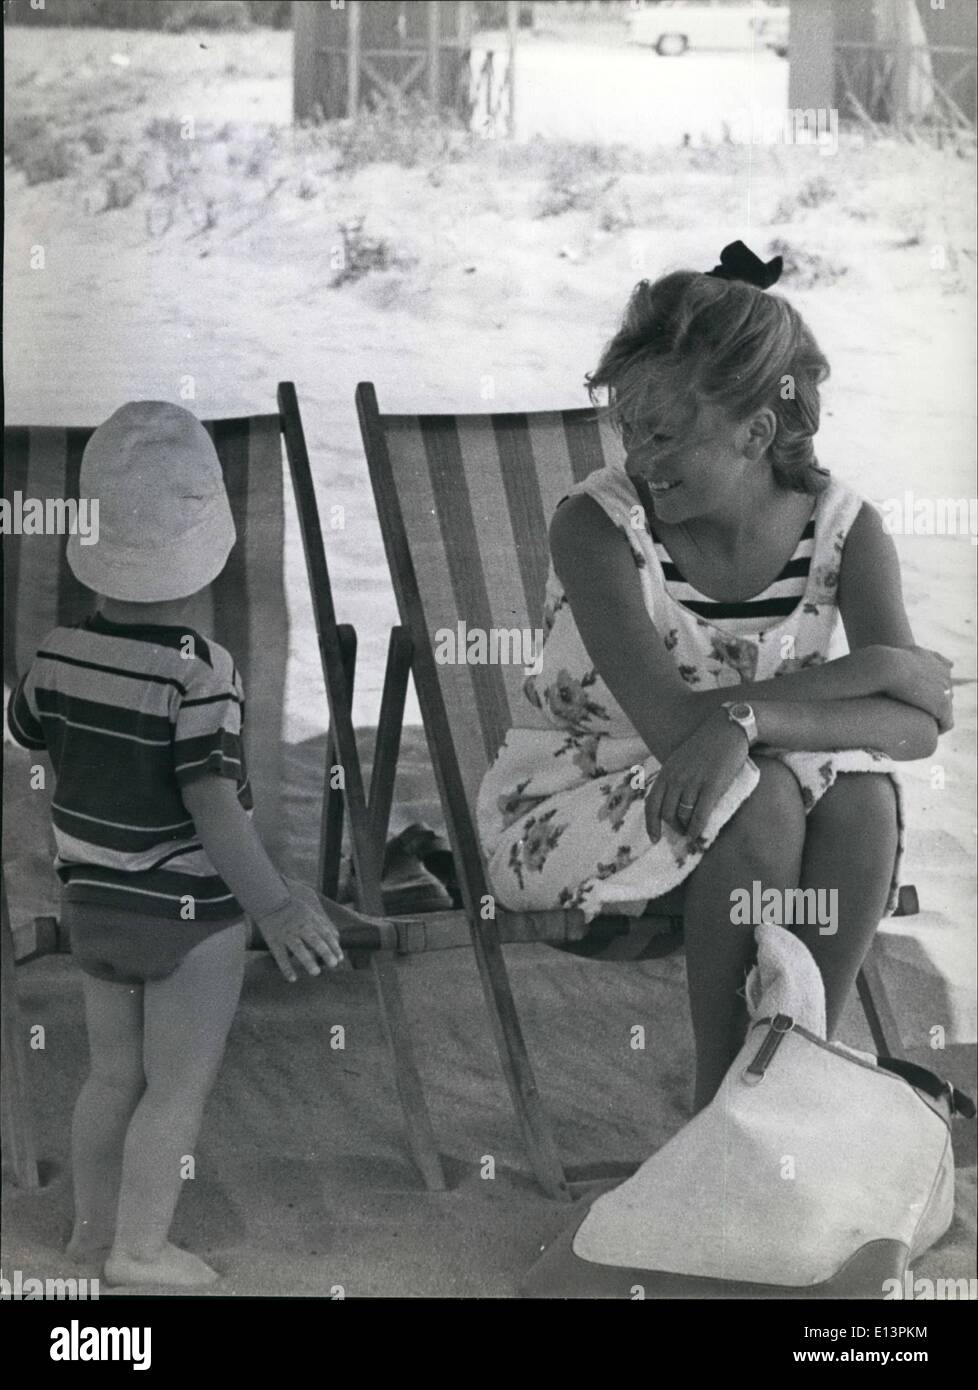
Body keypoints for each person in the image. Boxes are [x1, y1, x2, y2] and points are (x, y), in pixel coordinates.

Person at [477, 242, 954, 1112]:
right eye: (628, 429)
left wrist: (746, 720)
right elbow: (672, 726)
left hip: (748, 777)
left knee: (861, 800)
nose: (642, 457)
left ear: (757, 431)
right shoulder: (598, 527)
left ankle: (794, 1069)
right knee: (764, 790)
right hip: (578, 799)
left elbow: (916, 732)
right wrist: (876, 670)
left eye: (665, 433)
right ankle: (718, 1104)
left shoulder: (845, 530)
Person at [6, 401, 373, 1287]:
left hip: (91, 905)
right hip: (190, 915)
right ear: (207, 546)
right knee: (177, 1087)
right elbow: (214, 807)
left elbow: (30, 739)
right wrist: (276, 907)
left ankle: (93, 1234)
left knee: (111, 1078)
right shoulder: (202, 672)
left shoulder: (54, 656)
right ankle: (139, 1251)